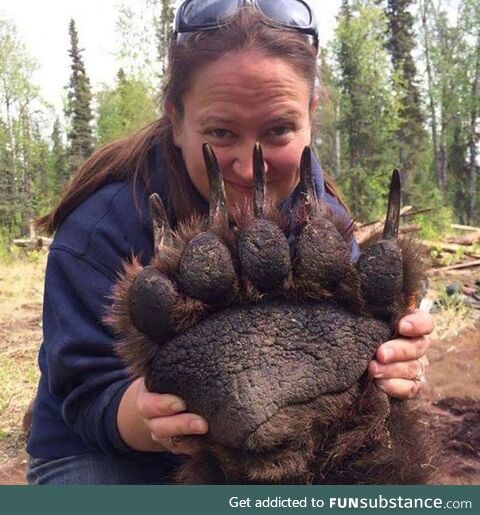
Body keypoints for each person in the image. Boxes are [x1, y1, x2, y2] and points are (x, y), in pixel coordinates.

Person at [26, 0, 433, 485]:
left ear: (311, 113)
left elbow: (357, 367)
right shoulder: (102, 228)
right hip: (107, 449)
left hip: (262, 439)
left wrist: (391, 364)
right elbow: (86, 394)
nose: (248, 165)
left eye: (279, 130)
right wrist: (152, 411)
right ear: (175, 119)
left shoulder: (321, 223)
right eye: (220, 132)